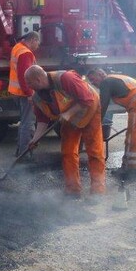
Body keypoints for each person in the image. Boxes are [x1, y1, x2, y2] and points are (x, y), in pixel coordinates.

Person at [24, 65, 105, 198]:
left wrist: (68, 113)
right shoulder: (37, 98)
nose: (28, 87)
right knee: (68, 152)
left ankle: (98, 192)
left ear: (38, 79)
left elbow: (87, 99)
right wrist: (35, 139)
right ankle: (73, 190)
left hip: (90, 110)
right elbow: (42, 120)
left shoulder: (65, 78)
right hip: (69, 119)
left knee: (95, 152)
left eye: (29, 83)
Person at [86, 68, 136, 180]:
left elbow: (102, 106)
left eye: (93, 79)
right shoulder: (116, 78)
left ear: (101, 74)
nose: (93, 83)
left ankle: (127, 170)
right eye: (90, 81)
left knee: (134, 137)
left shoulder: (106, 82)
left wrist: (96, 125)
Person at [8, 31, 41, 158]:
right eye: (37, 42)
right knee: (28, 123)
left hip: (16, 92)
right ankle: (24, 154)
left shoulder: (17, 48)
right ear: (32, 39)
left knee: (24, 122)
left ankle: (20, 151)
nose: (38, 46)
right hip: (23, 93)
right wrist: (29, 94)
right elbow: (25, 77)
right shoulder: (25, 53)